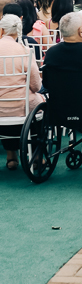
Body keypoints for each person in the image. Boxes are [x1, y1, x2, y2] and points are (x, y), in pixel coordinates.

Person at [0, 13, 43, 170]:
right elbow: (36, 85)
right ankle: (38, 154)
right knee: (41, 104)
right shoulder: (24, 50)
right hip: (21, 106)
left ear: (1, 30)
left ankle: (11, 154)